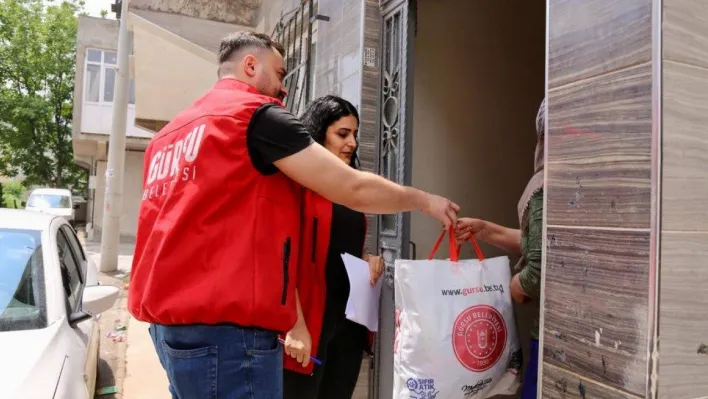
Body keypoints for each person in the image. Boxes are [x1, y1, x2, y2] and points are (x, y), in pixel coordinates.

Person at [128, 31, 459, 399]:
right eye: (281, 73)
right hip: (229, 334)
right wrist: (424, 200)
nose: (284, 90)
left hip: (172, 329)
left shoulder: (170, 134)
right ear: (250, 66)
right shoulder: (254, 116)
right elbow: (353, 188)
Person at [281, 95, 383, 398]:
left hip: (348, 325)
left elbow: (338, 244)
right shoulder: (296, 186)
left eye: (355, 134)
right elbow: (282, 257)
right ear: (318, 134)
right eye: (342, 134)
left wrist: (367, 259)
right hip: (308, 322)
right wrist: (294, 324)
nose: (352, 143)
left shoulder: (351, 188)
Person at [455, 97, 546, 399]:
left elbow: (539, 265)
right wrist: (486, 230)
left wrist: (512, 287)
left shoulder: (546, 184)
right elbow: (542, 243)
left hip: (554, 338)